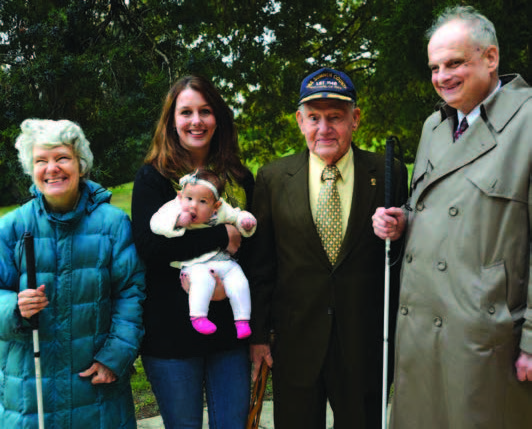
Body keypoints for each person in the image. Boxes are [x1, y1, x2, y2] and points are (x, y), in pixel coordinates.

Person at [372, 6, 532, 428]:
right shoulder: (433, 127)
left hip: (484, 336)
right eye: (435, 67)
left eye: (455, 63)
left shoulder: (529, 121)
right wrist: (403, 220)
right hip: (421, 330)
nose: (442, 76)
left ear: (491, 58)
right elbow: (437, 205)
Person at [249, 67, 407, 429]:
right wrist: (258, 336)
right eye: (315, 118)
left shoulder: (389, 173)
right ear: (299, 121)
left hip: (365, 342)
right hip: (295, 342)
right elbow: (262, 266)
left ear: (355, 119)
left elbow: (399, 262)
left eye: (335, 117)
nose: (324, 129)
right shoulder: (273, 178)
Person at [0, 119, 146, 428]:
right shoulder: (11, 228)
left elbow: (131, 294)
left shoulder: (114, 224)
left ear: (80, 163)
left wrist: (116, 356)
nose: (52, 168)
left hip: (97, 390)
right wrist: (14, 308)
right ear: (31, 168)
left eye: (62, 158)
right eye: (41, 160)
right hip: (30, 390)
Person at [131, 75, 254, 428]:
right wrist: (220, 236)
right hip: (171, 335)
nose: (196, 121)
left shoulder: (238, 179)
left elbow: (254, 248)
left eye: (205, 111)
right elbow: (151, 248)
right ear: (172, 121)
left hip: (230, 331)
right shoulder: (153, 178)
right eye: (186, 112)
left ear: (218, 118)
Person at [150, 168, 256, 339]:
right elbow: (155, 223)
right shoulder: (175, 208)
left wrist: (246, 222)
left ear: (216, 206)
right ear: (180, 196)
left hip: (223, 261)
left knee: (239, 281)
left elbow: (236, 216)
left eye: (202, 202)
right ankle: (198, 316)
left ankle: (242, 320)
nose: (193, 205)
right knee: (201, 280)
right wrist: (176, 221)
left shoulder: (221, 211)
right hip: (194, 265)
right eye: (189, 198)